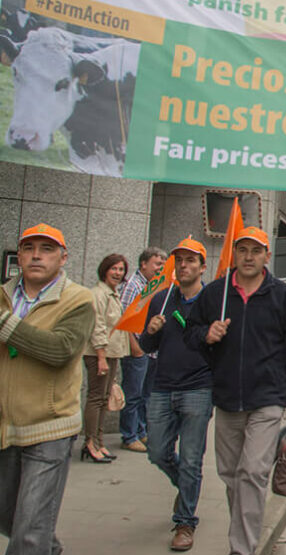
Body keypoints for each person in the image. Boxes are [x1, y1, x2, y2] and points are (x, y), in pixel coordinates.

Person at [184, 226, 286, 555]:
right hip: (227, 399)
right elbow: (190, 331)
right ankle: (244, 527)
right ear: (234, 254)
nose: (248, 257)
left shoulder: (281, 296)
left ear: (267, 257)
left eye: (256, 251)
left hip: (268, 399)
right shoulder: (216, 293)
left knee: (254, 472)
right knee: (231, 476)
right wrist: (205, 335)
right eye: (242, 250)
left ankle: (242, 548)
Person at [0, 224, 95, 554]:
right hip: (5, 428)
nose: (36, 255)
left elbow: (60, 350)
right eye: (29, 248)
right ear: (20, 256)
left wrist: (5, 324)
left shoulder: (78, 299)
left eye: (47, 248)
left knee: (28, 532)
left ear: (63, 257)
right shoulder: (2, 295)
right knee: (12, 518)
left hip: (50, 427)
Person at [139, 238, 213, 552]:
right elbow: (146, 347)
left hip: (198, 387)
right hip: (162, 386)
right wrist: (150, 332)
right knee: (156, 451)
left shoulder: (212, 301)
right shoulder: (161, 299)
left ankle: (185, 521)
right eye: (179, 260)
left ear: (202, 266)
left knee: (192, 460)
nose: (184, 266)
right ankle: (185, 485)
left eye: (190, 261)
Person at [82, 253, 130, 464]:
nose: (118, 273)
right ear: (105, 270)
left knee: (104, 399)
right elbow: (98, 326)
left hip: (112, 353)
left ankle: (99, 442)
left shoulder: (113, 294)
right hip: (97, 353)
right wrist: (101, 357)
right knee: (95, 397)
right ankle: (90, 443)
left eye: (121, 270)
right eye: (114, 269)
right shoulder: (97, 294)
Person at [119, 246, 167, 453]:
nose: (160, 269)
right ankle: (129, 435)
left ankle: (141, 431)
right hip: (137, 350)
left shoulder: (154, 286)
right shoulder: (134, 285)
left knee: (146, 395)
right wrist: (135, 347)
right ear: (143, 264)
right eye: (157, 264)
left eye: (163, 265)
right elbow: (124, 320)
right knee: (133, 394)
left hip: (151, 351)